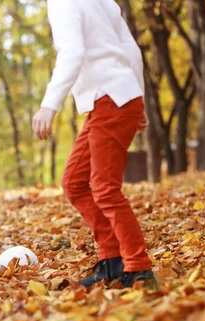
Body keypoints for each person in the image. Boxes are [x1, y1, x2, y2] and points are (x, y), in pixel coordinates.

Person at [33, 0, 156, 289]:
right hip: (116, 98)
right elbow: (132, 52)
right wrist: (138, 100)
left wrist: (49, 105)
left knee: (104, 189)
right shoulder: (104, 2)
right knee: (74, 182)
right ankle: (112, 261)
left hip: (109, 99)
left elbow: (72, 53)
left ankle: (138, 268)